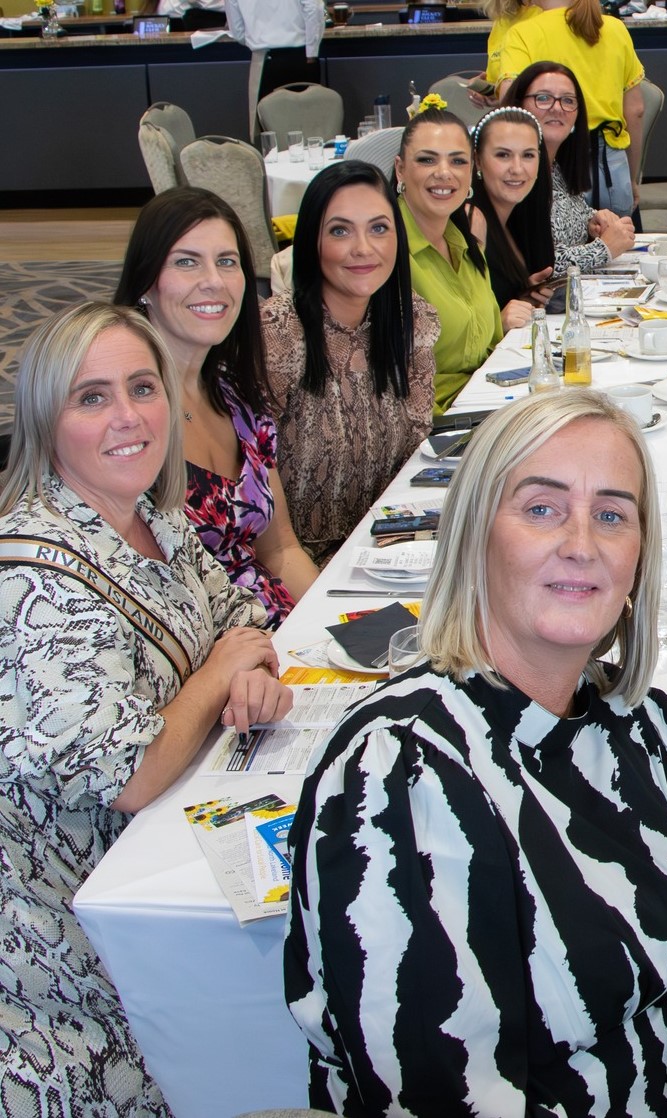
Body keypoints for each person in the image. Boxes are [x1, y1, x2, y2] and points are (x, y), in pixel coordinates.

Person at [285, 389, 667, 1116]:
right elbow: (434, 1089)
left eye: (611, 515)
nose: (581, 543)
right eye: (541, 508)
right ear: (473, 535)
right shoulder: (399, 773)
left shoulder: (637, 723)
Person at [0, 302, 290, 1115]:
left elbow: (242, 619)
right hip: (60, 934)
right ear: (45, 420)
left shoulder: (148, 518)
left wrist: (246, 673)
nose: (128, 417)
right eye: (91, 398)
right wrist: (214, 681)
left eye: (141, 387)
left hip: (154, 841)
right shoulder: (34, 572)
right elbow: (126, 771)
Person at [114, 187, 319, 624]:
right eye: (187, 262)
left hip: (280, 631)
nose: (215, 280)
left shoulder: (238, 398)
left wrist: (337, 625)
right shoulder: (123, 421)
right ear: (146, 282)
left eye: (227, 261)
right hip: (207, 659)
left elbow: (280, 547)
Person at [260, 161, 441, 564]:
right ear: (312, 241)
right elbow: (258, 512)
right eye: (340, 230)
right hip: (298, 564)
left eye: (379, 228)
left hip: (391, 548)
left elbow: (412, 458)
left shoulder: (410, 320)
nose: (363, 248)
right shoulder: (278, 334)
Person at [395, 104, 533, 412]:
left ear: (471, 171)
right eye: (427, 159)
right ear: (400, 169)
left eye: (457, 161)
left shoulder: (465, 242)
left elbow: (489, 345)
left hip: (488, 404)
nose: (444, 172)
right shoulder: (386, 251)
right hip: (431, 427)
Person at [497, 0, 646, 216]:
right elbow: (635, 110)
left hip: (551, 167)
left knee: (555, 248)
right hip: (611, 168)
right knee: (617, 245)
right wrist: (631, 178)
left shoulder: (522, 34)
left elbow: (510, 108)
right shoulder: (615, 29)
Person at [506, 60, 637, 274]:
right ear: (519, 105)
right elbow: (533, 264)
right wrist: (603, 249)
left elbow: (566, 214)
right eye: (543, 98)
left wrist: (593, 219)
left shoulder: (556, 164)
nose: (557, 108)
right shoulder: (513, 174)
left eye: (567, 101)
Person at [468, 105, 556, 308]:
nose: (517, 169)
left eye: (528, 155)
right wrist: (499, 322)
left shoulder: (518, 221)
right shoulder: (471, 220)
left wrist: (523, 296)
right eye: (503, 155)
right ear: (478, 160)